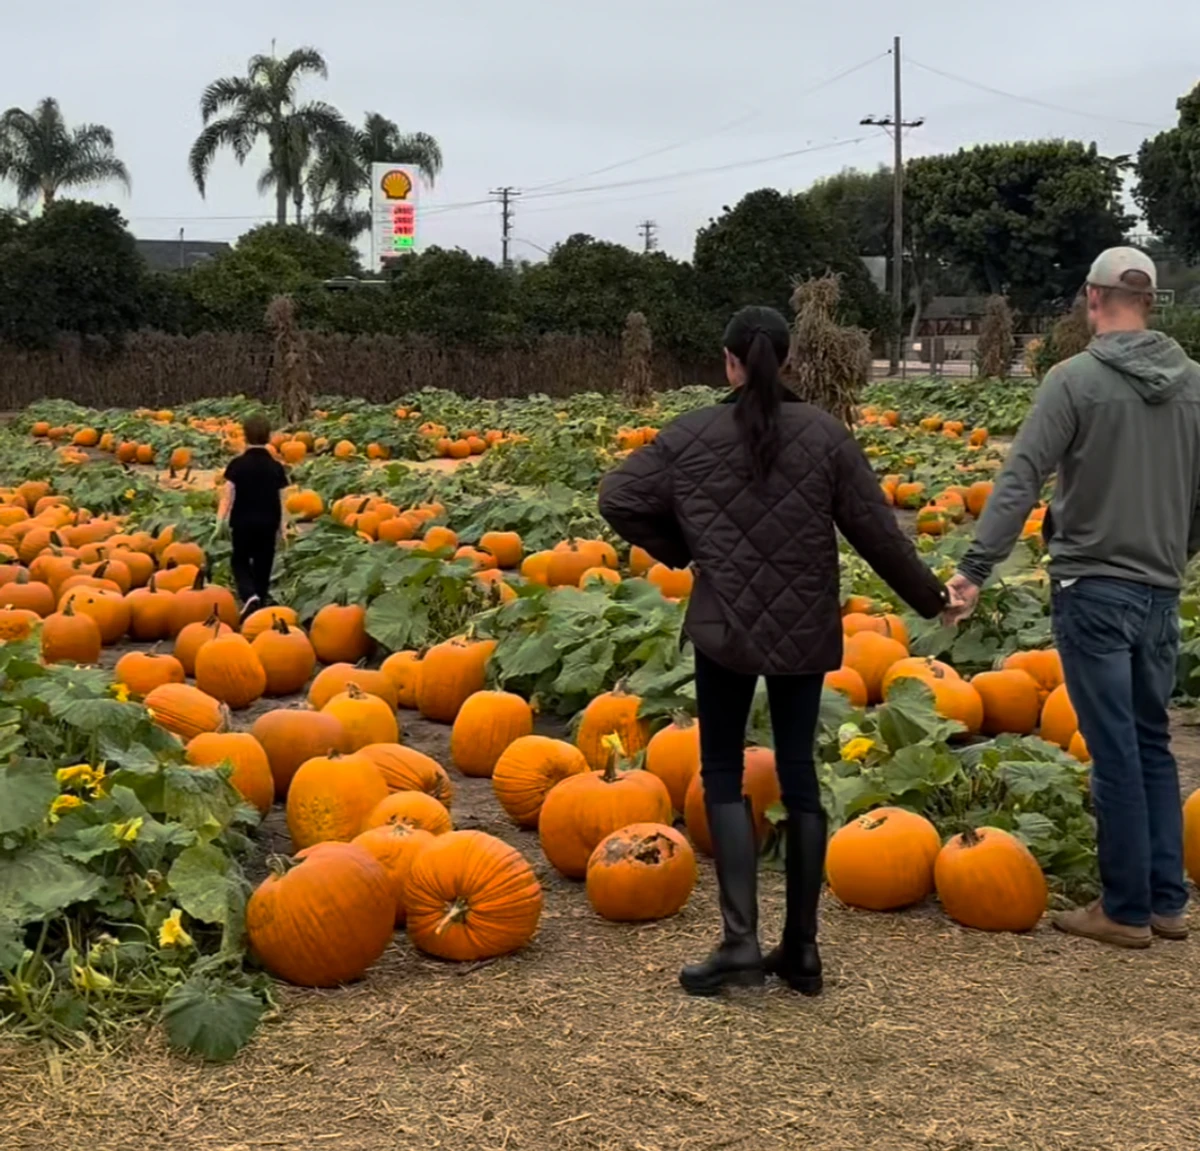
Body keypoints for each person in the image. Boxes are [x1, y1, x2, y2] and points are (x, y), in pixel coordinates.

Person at [598, 305, 948, 997]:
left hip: (724, 624)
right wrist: (933, 599)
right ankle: (803, 950)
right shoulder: (824, 434)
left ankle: (738, 944)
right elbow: (879, 534)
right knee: (800, 776)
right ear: (783, 360)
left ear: (728, 360)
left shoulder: (690, 434)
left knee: (723, 772)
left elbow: (618, 497)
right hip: (804, 625)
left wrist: (687, 546)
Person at [944, 247, 1200, 949]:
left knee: (1114, 746)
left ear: (1092, 298)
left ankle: (1123, 907)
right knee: (1153, 741)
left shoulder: (1074, 380)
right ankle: (1166, 900)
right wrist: (1177, 549)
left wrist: (974, 569)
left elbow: (1023, 477)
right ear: (1149, 302)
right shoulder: (1195, 385)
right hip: (1159, 590)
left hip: (1093, 587)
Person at [219, 412, 289, 619]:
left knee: (239, 560)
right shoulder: (276, 467)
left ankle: (249, 595)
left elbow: (227, 495)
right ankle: (259, 602)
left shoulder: (237, 465)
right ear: (269, 437)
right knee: (263, 564)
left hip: (242, 522)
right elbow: (282, 500)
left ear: (245, 436)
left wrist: (220, 520)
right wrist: (283, 527)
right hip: (268, 523)